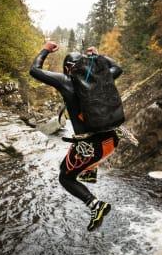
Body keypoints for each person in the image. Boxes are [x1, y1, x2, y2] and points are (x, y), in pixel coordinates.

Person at [29, 41, 123, 231]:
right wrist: (98, 56)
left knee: (65, 177)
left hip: (90, 147)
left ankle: (95, 205)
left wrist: (46, 49)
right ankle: (89, 173)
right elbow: (117, 68)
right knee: (72, 157)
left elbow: (34, 69)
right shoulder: (103, 77)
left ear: (67, 68)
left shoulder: (67, 81)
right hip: (112, 140)